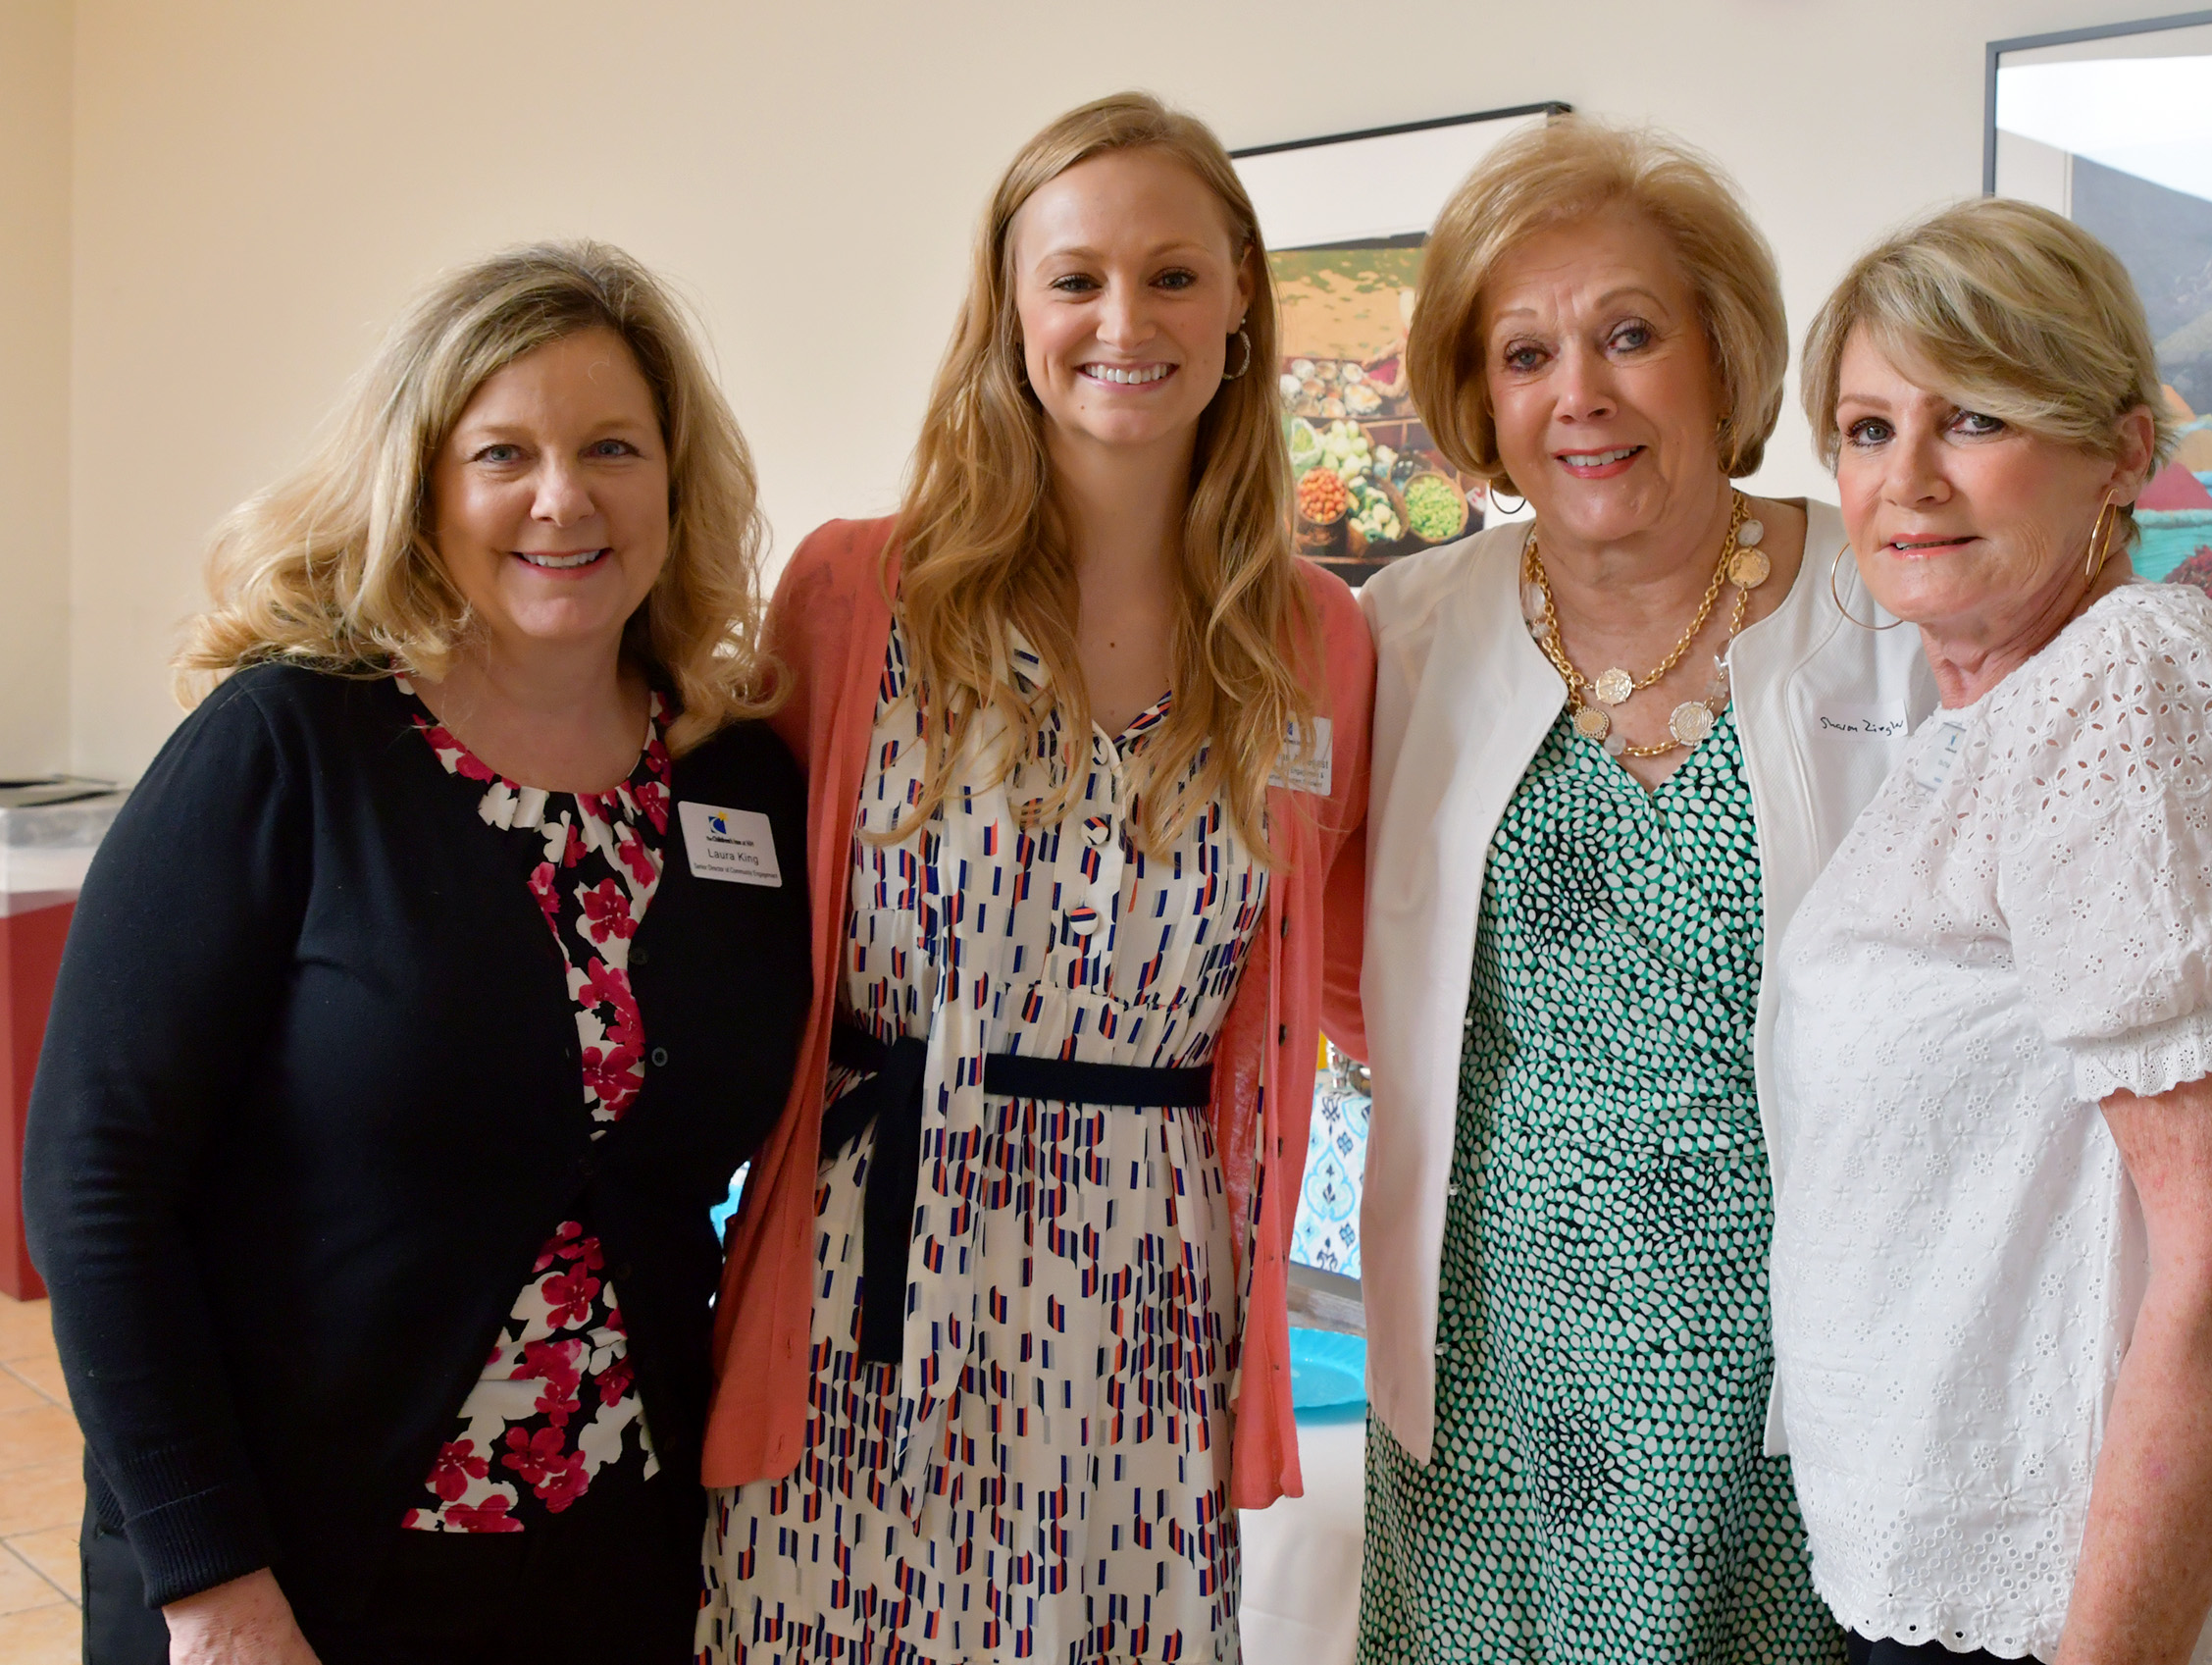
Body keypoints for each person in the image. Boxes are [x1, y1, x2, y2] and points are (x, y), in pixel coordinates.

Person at [24, 242, 813, 1664]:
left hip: (617, 1556)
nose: (561, 495)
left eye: (612, 446)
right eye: (501, 449)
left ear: (675, 482)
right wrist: (206, 1575)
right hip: (298, 1568)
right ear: (423, 483)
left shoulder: (736, 776)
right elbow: (94, 1176)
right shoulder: (287, 745)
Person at [695, 92, 1372, 1664]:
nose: (1122, 321)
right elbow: (720, 907)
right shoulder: (858, 588)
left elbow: (1342, 974)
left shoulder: (1316, 641)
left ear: (1241, 303)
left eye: (1173, 275)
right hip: (868, 1258)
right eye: (1073, 278)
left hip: (1146, 1290)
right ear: (1010, 310)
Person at [1353, 116, 1933, 1662]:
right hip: (1487, 1368)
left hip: (1800, 1384)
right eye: (1525, 352)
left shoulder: (1891, 619)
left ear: (1722, 355)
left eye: (1629, 333)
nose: (1580, 394)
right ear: (1480, 396)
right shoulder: (1401, 634)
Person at [1768, 198, 2212, 1665]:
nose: (1905, 479)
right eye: (1863, 429)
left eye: (1972, 418)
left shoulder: (2133, 687)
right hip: (1954, 1571)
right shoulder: (1983, 715)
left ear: (2118, 447)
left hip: (2063, 1608)